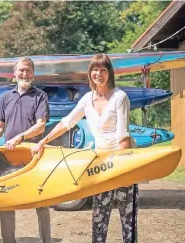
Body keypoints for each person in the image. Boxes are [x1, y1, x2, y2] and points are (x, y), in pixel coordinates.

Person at [31, 53, 138, 243]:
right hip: (101, 164)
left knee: (127, 221)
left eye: (103, 70)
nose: (99, 74)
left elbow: (123, 136)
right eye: (95, 70)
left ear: (109, 73)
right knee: (99, 217)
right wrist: (43, 141)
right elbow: (67, 122)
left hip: (122, 161)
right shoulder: (87, 99)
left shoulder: (119, 97)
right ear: (90, 74)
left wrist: (125, 172)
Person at [0, 57, 51, 243]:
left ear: (33, 74)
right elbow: (0, 127)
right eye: (21, 70)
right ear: (14, 73)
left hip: (33, 158)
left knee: (41, 202)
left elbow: (41, 126)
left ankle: (46, 241)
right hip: (8, 158)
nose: (25, 73)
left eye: (28, 70)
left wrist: (20, 137)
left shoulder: (40, 96)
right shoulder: (6, 97)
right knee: (6, 201)